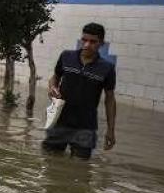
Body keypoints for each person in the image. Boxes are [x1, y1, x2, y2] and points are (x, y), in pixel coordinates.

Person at [43, 22, 117, 158]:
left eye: (93, 42)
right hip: (60, 121)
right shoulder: (66, 56)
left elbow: (110, 99)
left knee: (80, 167)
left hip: (86, 127)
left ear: (101, 43)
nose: (87, 45)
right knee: (49, 160)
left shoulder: (107, 68)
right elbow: (55, 77)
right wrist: (52, 87)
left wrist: (110, 130)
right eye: (84, 40)